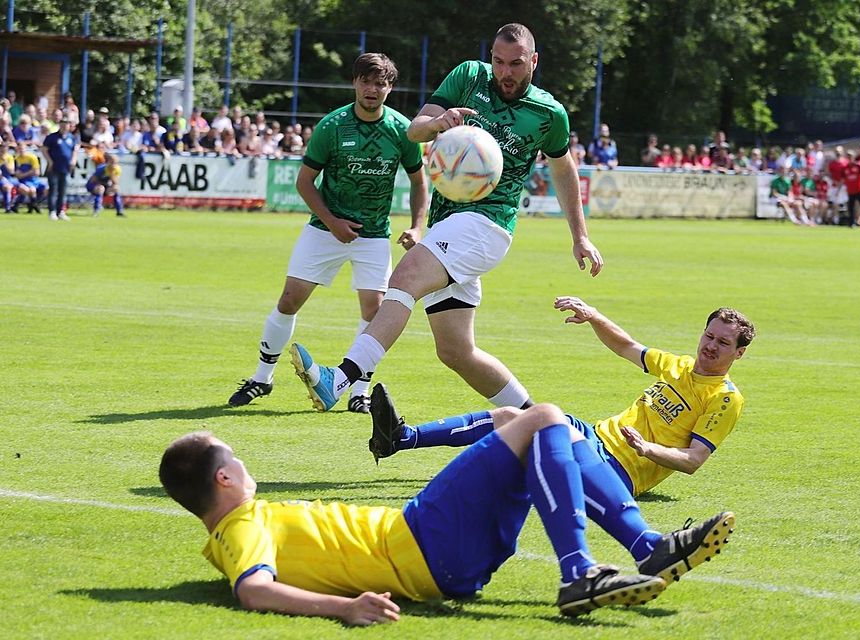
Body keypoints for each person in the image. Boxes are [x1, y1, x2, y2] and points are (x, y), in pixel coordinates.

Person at [159, 411, 736, 621]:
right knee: (543, 418)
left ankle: (647, 548)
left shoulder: (241, 524)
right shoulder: (240, 527)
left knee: (521, 418)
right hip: (423, 541)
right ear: (223, 480)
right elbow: (254, 591)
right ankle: (581, 571)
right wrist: (346, 608)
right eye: (234, 458)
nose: (243, 462)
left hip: (442, 553)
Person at [293, 23, 603, 413]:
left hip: (488, 223)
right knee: (456, 350)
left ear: (534, 61)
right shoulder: (469, 76)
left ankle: (338, 379)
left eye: (516, 64)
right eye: (498, 62)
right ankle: (536, 420)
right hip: (448, 223)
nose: (505, 72)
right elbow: (415, 131)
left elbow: (563, 169)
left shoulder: (549, 113)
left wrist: (580, 236)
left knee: (405, 278)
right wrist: (440, 123)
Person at [369, 299, 754, 502]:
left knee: (528, 451)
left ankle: (438, 481)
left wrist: (646, 448)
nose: (711, 346)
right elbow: (627, 346)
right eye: (709, 336)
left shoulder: (725, 399)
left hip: (619, 470)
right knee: (513, 417)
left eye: (723, 343)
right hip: (594, 437)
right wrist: (594, 316)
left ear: (738, 353)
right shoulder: (679, 365)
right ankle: (401, 438)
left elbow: (693, 460)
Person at [228, 53, 429, 412]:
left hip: (373, 235)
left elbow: (419, 182)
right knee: (289, 300)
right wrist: (333, 221)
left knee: (375, 310)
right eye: (366, 81)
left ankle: (358, 391)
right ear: (354, 83)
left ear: (390, 88)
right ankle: (262, 378)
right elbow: (305, 182)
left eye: (380, 83)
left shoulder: (403, 130)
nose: (372, 89)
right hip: (324, 229)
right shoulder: (332, 126)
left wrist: (416, 225)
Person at [41, 116, 78, 221]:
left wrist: (73, 161)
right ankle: (52, 211)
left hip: (65, 168)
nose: (64, 126)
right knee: (53, 189)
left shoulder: (71, 138)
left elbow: (74, 150)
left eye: (66, 124)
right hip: (54, 167)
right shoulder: (52, 137)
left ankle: (60, 211)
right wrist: (50, 161)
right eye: (63, 124)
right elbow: (44, 149)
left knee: (63, 191)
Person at [85, 153, 125, 217]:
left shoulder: (117, 169)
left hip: (105, 186)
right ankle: (96, 210)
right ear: (108, 162)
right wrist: (104, 183)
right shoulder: (101, 168)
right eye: (112, 162)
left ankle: (119, 211)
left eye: (115, 163)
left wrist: (112, 175)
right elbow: (93, 180)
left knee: (116, 188)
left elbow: (116, 182)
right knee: (101, 188)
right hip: (93, 186)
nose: (113, 165)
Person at [13, 140, 46, 213]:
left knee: (47, 189)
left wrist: (24, 174)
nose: (21, 150)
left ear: (25, 148)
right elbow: (18, 175)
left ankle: (34, 204)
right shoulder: (17, 159)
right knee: (32, 190)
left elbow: (37, 172)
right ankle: (34, 206)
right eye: (19, 148)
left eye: (22, 148)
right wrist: (30, 172)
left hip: (34, 179)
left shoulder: (32, 157)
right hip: (24, 181)